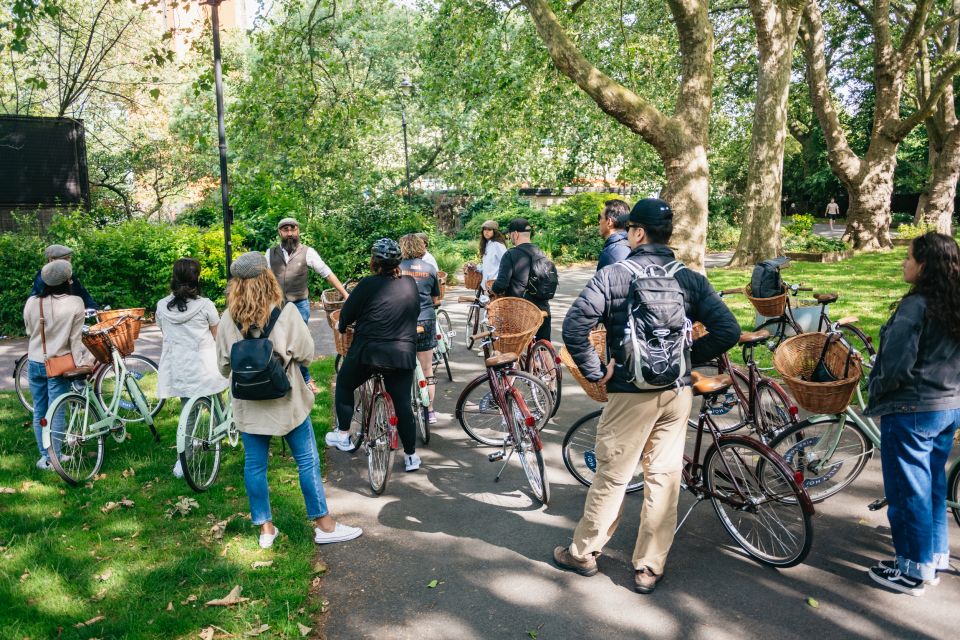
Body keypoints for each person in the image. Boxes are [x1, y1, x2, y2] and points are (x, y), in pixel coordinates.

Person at [554, 198, 740, 594]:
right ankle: (648, 567)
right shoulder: (689, 279)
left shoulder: (615, 276)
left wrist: (595, 370)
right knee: (664, 477)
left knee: (613, 475)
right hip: (675, 392)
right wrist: (687, 359)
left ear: (637, 233)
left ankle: (584, 552)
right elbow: (728, 330)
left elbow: (574, 327)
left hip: (629, 393)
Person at [216, 252, 361, 549]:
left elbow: (223, 365)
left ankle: (266, 528)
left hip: (249, 405)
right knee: (307, 461)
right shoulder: (286, 312)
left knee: (255, 466)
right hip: (287, 401)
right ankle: (324, 525)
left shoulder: (227, 319)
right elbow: (307, 354)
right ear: (268, 278)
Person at [865, 232, 960, 596]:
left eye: (909, 257)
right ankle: (934, 555)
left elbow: (896, 364)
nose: (904, 263)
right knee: (932, 486)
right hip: (948, 408)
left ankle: (912, 571)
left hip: (913, 409)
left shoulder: (916, 306)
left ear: (925, 265)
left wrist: (877, 389)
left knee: (908, 492)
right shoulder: (951, 303)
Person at [326, 239, 423, 472]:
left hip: (368, 353)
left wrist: (341, 326)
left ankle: (343, 435)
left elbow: (347, 315)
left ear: (374, 262)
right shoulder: (410, 283)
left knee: (345, 383)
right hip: (402, 354)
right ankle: (411, 456)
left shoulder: (367, 284)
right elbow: (415, 311)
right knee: (402, 405)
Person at [155, 257, 229, 478]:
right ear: (196, 278)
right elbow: (218, 337)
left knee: (189, 410)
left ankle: (184, 459)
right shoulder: (205, 305)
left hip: (178, 367)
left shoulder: (161, 306)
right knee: (215, 394)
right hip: (204, 365)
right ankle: (190, 455)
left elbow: (164, 333)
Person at [267, 217, 349, 394]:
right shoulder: (270, 253)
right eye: (285, 229)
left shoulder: (308, 252)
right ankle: (282, 378)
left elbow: (326, 273)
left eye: (292, 229)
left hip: (299, 304)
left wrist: (345, 294)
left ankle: (305, 378)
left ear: (298, 231)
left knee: (299, 343)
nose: (289, 233)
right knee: (278, 343)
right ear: (279, 233)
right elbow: (263, 280)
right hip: (277, 306)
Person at [23, 260, 85, 470]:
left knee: (39, 409)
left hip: (34, 360)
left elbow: (29, 331)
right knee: (56, 411)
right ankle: (54, 457)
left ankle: (45, 457)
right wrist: (82, 365)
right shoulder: (75, 302)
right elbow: (75, 341)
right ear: (67, 280)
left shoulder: (32, 302)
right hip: (59, 363)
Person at [399, 234, 442, 425]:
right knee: (427, 368)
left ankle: (404, 408)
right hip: (426, 320)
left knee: (402, 369)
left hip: (403, 322)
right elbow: (436, 300)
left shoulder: (397, 269)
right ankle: (430, 411)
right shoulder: (430, 268)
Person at [491, 218, 552, 341]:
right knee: (543, 346)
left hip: (520, 311)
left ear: (515, 234)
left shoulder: (510, 255)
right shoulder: (540, 252)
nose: (509, 237)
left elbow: (501, 284)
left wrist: (492, 289)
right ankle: (547, 358)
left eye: (509, 235)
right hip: (542, 309)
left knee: (509, 346)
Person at [30, 244, 98, 310]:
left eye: (69, 258)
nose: (69, 262)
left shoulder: (68, 274)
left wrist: (94, 308)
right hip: (50, 316)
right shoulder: (43, 276)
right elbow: (44, 299)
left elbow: (82, 293)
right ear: (51, 260)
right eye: (65, 259)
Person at [597, 199, 631, 270]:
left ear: (609, 222)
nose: (599, 222)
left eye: (600, 218)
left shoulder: (612, 253)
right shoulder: (630, 244)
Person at [479, 220, 507, 290]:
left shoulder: (498, 245)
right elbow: (488, 266)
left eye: (489, 229)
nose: (486, 232)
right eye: (484, 229)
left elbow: (506, 264)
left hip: (494, 284)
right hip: (486, 285)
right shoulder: (487, 244)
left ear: (495, 231)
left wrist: (499, 281)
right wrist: (476, 267)